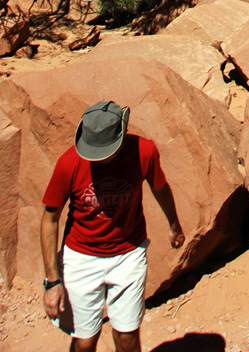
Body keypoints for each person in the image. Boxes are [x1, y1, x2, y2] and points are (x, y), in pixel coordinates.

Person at [41, 99, 185, 352]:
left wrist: (174, 224)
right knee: (85, 341)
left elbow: (159, 187)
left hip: (128, 254)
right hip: (81, 257)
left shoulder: (145, 152)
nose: (100, 159)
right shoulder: (68, 163)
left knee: (127, 338)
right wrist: (53, 282)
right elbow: (50, 219)